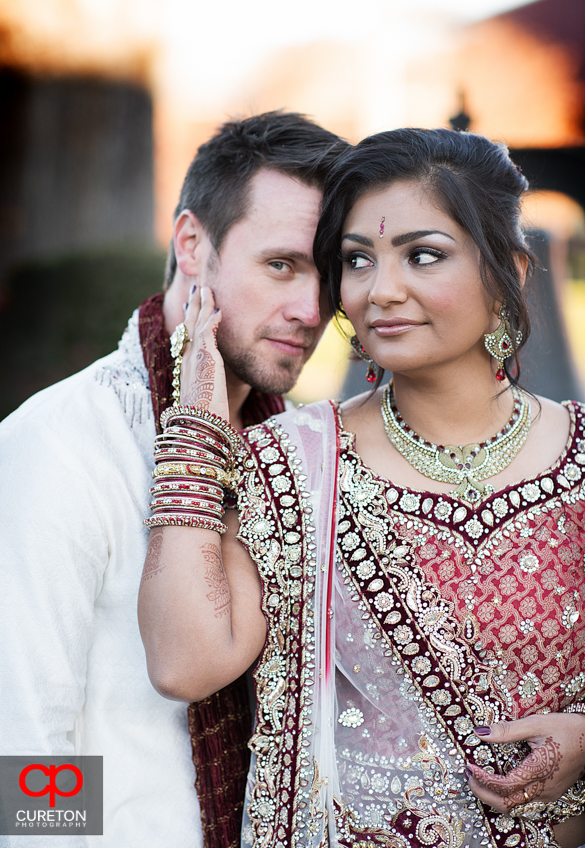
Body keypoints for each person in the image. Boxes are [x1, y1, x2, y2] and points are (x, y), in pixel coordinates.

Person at [139, 127, 585, 848]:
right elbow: (186, 660)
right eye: (356, 260)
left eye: (423, 254)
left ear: (508, 268)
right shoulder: (293, 462)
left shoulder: (579, 454)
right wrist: (195, 423)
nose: (381, 291)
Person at [0, 111, 348, 848]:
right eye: (282, 264)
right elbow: (23, 739)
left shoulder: (301, 453)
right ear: (193, 244)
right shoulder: (61, 443)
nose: (311, 309)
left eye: (328, 270)